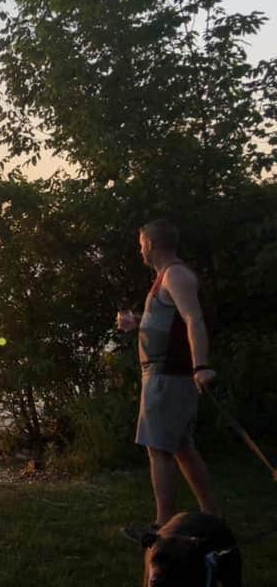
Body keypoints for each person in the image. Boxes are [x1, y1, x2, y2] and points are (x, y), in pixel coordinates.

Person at [117, 219, 219, 540]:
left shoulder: (176, 275)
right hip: (163, 375)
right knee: (182, 447)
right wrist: (138, 322)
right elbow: (171, 320)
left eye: (141, 244)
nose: (140, 250)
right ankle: (212, 518)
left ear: (151, 244)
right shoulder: (166, 277)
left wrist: (200, 366)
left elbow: (193, 319)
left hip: (168, 377)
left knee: (158, 449)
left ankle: (163, 527)